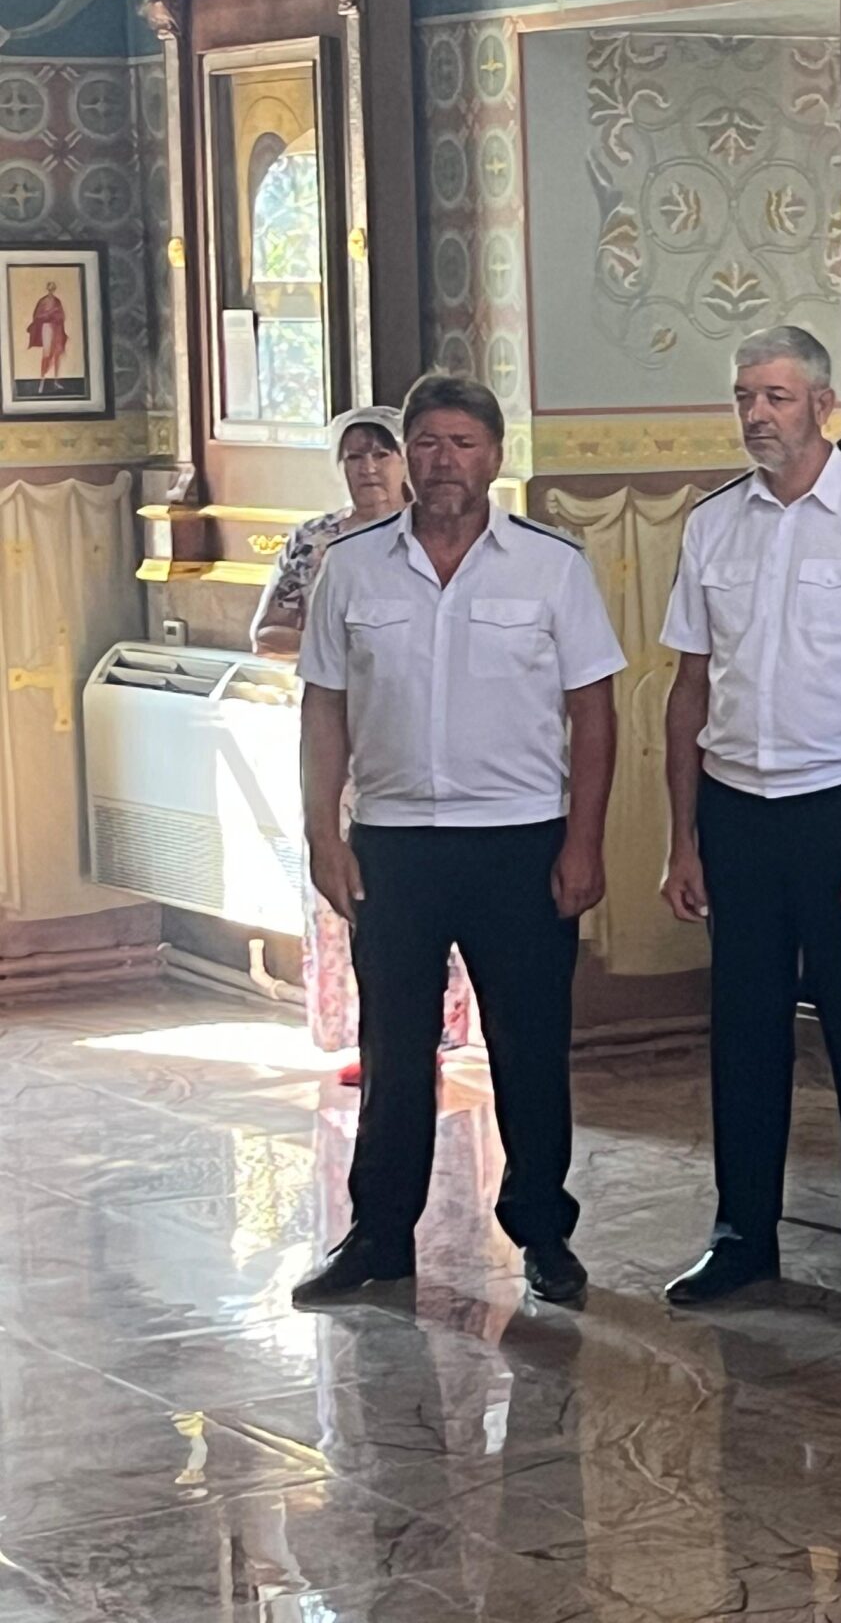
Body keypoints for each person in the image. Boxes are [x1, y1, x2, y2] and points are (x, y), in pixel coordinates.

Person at [290, 373, 624, 1310]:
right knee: (395, 1049)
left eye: (464, 444)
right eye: (428, 444)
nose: (445, 463)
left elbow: (594, 711)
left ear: (495, 457)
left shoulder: (551, 566)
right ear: (406, 456)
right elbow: (324, 708)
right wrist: (323, 832)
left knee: (529, 1046)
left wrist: (585, 841)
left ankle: (543, 1231)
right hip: (394, 842)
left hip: (521, 839)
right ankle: (379, 1235)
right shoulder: (353, 567)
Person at [657, 327, 841, 1315]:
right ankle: (742, 1238)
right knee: (743, 1037)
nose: (756, 415)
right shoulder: (713, 524)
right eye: (744, 396)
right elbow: (689, 689)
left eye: (776, 397)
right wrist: (683, 839)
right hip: (738, 811)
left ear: (824, 405)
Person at [254, 406, 477, 1083]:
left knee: (433, 882)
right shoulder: (318, 541)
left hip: (419, 732)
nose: (369, 468)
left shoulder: (440, 534)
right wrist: (343, 647)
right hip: (340, 736)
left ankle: (436, 1035)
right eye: (355, 456)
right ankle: (369, 1036)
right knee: (353, 884)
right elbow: (267, 632)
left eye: (381, 453)